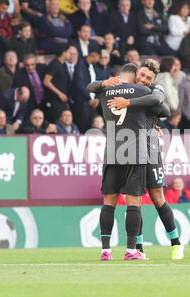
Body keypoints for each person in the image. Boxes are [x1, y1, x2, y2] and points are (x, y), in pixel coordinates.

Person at [100, 60, 183, 259]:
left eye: (148, 78)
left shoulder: (155, 89)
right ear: (136, 73)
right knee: (134, 196)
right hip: (131, 147)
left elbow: (163, 108)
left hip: (150, 147)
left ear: (153, 80)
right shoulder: (126, 88)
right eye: (142, 75)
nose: (143, 80)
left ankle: (176, 243)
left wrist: (132, 104)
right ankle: (137, 247)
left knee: (156, 197)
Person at [90, 64, 154, 261]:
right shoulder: (142, 90)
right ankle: (131, 250)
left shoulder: (105, 90)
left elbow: (89, 87)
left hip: (112, 152)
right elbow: (159, 102)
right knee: (133, 201)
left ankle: (105, 251)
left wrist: (102, 83)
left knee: (109, 201)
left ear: (118, 75)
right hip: (135, 152)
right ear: (135, 75)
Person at [72, 45, 101, 132]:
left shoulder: (92, 66)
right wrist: (88, 97)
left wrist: (96, 98)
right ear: (95, 55)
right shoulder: (80, 65)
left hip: (92, 103)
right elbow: (79, 84)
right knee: (82, 127)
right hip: (82, 103)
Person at [42, 43, 71, 123]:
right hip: (54, 100)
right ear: (64, 53)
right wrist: (59, 94)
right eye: (68, 52)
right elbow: (46, 81)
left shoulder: (64, 64)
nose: (70, 54)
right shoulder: (55, 64)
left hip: (61, 101)